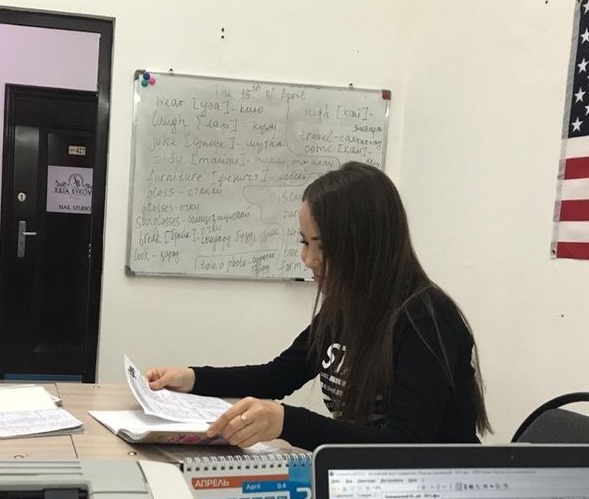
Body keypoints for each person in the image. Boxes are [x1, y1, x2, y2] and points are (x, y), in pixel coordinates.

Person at [145, 162, 489, 451]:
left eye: (322, 246)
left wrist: (287, 422)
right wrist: (193, 378)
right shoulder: (346, 307)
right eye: (304, 242)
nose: (309, 259)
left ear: (365, 244)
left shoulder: (426, 318)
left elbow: (403, 445)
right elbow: (277, 376)